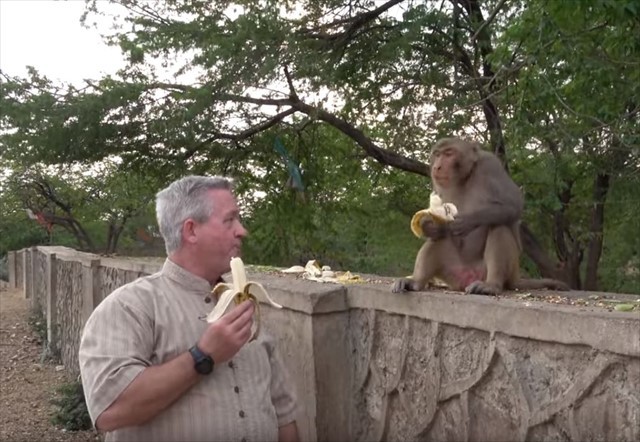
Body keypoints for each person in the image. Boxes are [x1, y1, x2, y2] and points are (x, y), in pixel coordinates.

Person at [79, 175, 300, 442]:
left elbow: (283, 414)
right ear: (191, 230)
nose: (242, 231)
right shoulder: (128, 308)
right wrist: (203, 356)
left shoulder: (244, 305)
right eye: (230, 220)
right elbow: (110, 411)